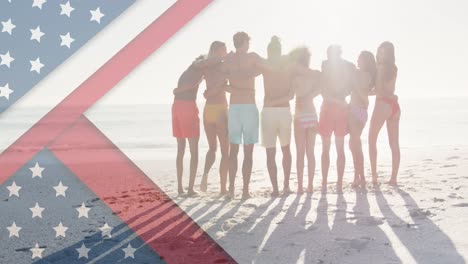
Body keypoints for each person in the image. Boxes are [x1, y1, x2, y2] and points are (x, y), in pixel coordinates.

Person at [222, 32, 264, 199]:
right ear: (245, 42)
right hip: (248, 105)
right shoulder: (253, 57)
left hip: (234, 107)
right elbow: (267, 67)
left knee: (234, 150)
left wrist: (236, 86)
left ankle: (232, 189)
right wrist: (249, 78)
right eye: (248, 41)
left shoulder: (228, 60)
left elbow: (222, 84)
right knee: (248, 151)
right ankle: (245, 190)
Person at [319, 45, 356, 193]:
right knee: (337, 149)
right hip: (340, 107)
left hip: (330, 108)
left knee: (328, 149)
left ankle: (326, 183)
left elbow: (324, 91)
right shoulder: (346, 66)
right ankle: (336, 183)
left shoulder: (326, 65)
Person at [260, 36, 293, 197]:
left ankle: (276, 188)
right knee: (285, 149)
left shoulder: (265, 64)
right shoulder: (287, 64)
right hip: (283, 110)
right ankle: (285, 186)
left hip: (269, 111)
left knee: (271, 152)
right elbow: (291, 94)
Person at [288, 47, 322, 194]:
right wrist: (311, 95)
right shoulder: (313, 75)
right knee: (310, 152)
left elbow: (290, 94)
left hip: (300, 114)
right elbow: (321, 86)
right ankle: (310, 185)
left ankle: (301, 186)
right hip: (311, 114)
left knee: (300, 152)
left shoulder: (294, 75)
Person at [199, 41, 230, 195]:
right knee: (225, 151)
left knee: (212, 148)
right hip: (220, 109)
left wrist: (208, 92)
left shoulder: (206, 65)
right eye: (224, 49)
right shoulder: (222, 64)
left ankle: (204, 175)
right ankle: (223, 188)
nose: (226, 51)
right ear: (219, 50)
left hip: (208, 109)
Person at [172, 56, 205, 196]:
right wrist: (179, 90)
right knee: (194, 150)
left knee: (181, 149)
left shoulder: (187, 72)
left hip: (176, 107)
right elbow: (186, 87)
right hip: (187, 107)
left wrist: (177, 90)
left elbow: (178, 90)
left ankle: (180, 187)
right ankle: (190, 189)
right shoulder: (197, 71)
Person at [368, 41, 400, 185]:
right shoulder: (393, 68)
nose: (379, 54)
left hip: (382, 105)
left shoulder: (380, 68)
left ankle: (374, 177)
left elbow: (380, 91)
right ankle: (393, 178)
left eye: (381, 52)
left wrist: (368, 92)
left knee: (371, 139)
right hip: (394, 106)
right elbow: (389, 90)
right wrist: (392, 96)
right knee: (394, 143)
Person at [349, 51, 377, 188]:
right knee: (354, 144)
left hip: (356, 110)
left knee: (354, 144)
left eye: (359, 59)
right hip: (362, 111)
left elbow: (360, 91)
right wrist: (366, 96)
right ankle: (360, 176)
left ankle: (359, 177)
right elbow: (372, 91)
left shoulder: (362, 74)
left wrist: (362, 96)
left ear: (365, 61)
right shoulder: (369, 75)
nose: (357, 61)